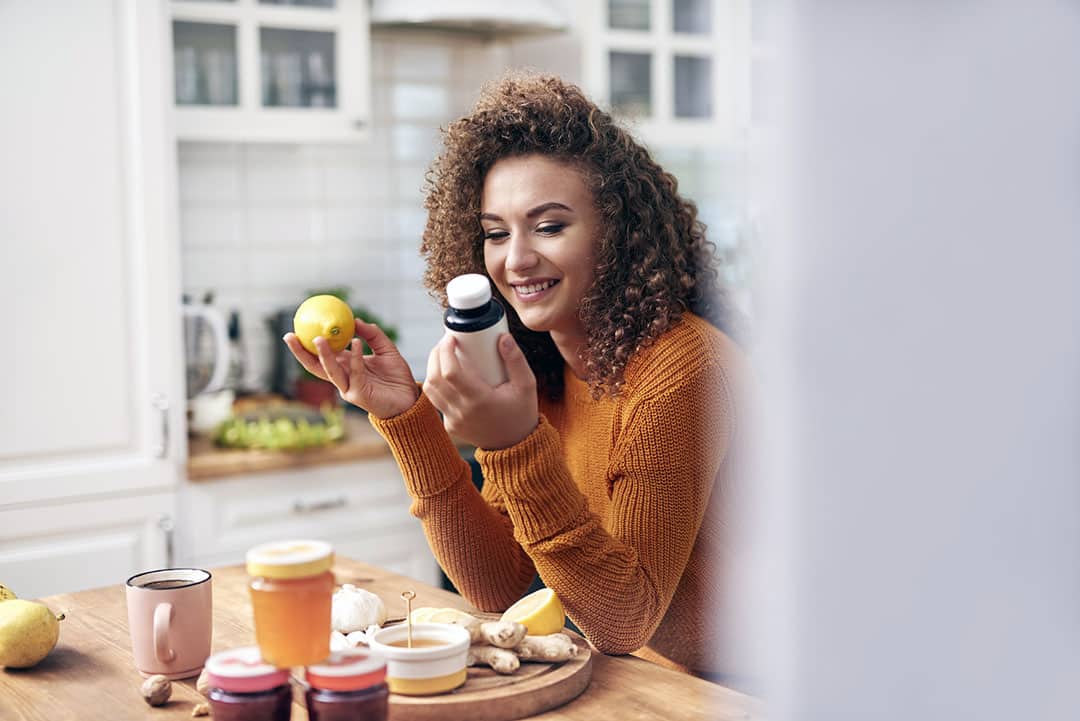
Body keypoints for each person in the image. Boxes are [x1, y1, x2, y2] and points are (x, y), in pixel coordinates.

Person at [284, 72, 754, 681]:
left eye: (550, 226)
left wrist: (511, 442)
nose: (516, 258)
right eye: (496, 233)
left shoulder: (684, 367)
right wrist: (409, 420)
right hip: (656, 681)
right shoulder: (541, 362)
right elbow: (501, 586)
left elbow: (624, 620)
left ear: (618, 232)